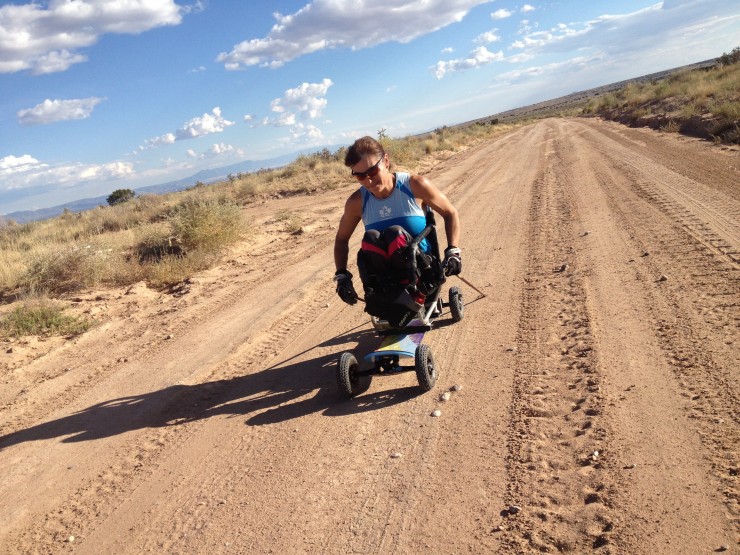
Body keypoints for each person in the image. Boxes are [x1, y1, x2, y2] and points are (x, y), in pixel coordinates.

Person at [333, 136, 461, 327]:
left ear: (385, 160)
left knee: (394, 233)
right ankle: (393, 299)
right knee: (371, 238)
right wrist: (342, 276)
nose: (368, 180)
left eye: (373, 171)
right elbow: (341, 240)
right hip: (385, 278)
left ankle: (411, 296)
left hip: (421, 268)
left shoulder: (414, 185)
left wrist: (453, 251)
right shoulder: (356, 202)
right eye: (360, 176)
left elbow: (450, 213)